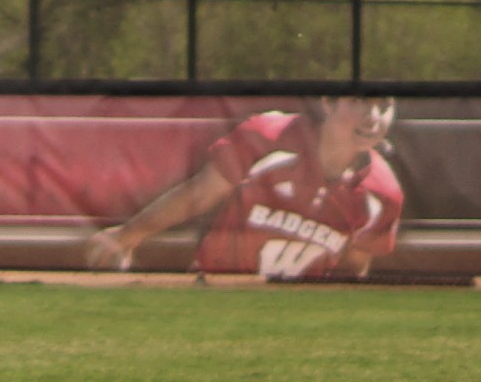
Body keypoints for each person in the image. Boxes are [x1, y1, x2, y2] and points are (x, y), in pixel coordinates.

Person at [85, 97, 402, 280]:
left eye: (384, 105)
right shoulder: (268, 138)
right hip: (218, 295)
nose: (374, 117)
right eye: (360, 102)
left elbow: (355, 268)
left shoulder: (382, 193)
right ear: (328, 103)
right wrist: (126, 236)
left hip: (300, 318)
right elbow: (198, 196)